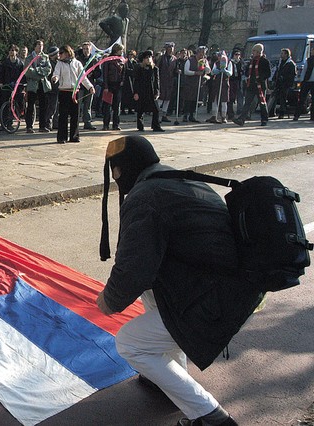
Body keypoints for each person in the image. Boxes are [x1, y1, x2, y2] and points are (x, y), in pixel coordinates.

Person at [97, 135, 263, 426]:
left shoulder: (146, 198)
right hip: (228, 286)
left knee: (129, 343)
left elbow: (132, 270)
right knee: (152, 293)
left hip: (216, 299)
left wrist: (107, 301)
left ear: (126, 169)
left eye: (116, 171)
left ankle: (208, 415)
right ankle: (169, 375)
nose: (116, 177)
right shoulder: (176, 180)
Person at [51, 45, 95, 144]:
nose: (59, 55)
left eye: (61, 53)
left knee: (75, 115)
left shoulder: (77, 63)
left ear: (67, 53)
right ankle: (62, 137)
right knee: (63, 115)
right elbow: (56, 74)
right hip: (64, 91)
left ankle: (74, 136)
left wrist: (90, 87)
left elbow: (83, 77)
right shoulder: (59, 64)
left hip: (75, 91)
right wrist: (54, 79)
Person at [233, 43, 270, 126]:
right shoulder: (252, 61)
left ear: (258, 51)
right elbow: (247, 72)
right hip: (251, 85)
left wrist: (260, 78)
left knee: (262, 103)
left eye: (254, 51)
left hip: (260, 85)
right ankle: (241, 119)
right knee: (247, 103)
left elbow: (268, 73)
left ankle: (264, 119)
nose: (252, 52)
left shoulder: (264, 61)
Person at [24, 39, 52, 133]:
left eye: (42, 45)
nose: (41, 47)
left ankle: (42, 126)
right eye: (39, 45)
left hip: (43, 84)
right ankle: (29, 126)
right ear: (35, 46)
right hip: (32, 85)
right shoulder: (29, 58)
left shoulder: (45, 57)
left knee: (43, 105)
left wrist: (38, 71)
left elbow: (48, 69)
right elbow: (28, 71)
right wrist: (39, 73)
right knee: (30, 106)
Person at [133, 50, 164, 132]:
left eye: (150, 57)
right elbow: (136, 81)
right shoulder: (139, 68)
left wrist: (157, 92)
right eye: (146, 58)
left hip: (151, 91)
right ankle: (140, 126)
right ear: (143, 59)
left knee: (156, 109)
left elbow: (157, 81)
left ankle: (156, 126)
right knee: (140, 110)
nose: (148, 59)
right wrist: (135, 92)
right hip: (141, 91)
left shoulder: (154, 69)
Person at [182, 46, 210, 123]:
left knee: (196, 100)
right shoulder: (190, 60)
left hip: (199, 84)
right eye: (201, 52)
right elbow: (186, 71)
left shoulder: (204, 61)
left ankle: (192, 115)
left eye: (204, 53)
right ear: (197, 52)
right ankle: (185, 115)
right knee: (188, 100)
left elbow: (208, 71)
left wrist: (205, 68)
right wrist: (195, 73)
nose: (202, 54)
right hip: (190, 83)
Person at [101, 43, 125, 131]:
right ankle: (105, 124)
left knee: (117, 106)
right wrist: (106, 86)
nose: (122, 52)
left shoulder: (121, 60)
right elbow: (105, 73)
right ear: (116, 50)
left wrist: (122, 80)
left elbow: (123, 72)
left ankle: (116, 124)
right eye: (121, 50)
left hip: (118, 85)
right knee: (107, 106)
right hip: (109, 85)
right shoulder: (108, 60)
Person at [77, 41, 101, 130]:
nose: (85, 50)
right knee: (78, 104)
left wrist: (93, 73)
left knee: (88, 105)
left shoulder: (94, 59)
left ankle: (87, 122)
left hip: (90, 85)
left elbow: (99, 73)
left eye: (87, 49)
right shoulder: (79, 59)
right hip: (80, 85)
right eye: (84, 49)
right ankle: (76, 122)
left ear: (90, 49)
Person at [206, 51, 232, 124]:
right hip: (216, 83)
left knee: (224, 101)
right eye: (219, 56)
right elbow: (212, 72)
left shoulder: (229, 63)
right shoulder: (216, 63)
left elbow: (230, 73)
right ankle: (214, 115)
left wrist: (225, 71)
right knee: (215, 100)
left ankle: (223, 117)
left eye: (221, 56)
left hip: (224, 83)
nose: (220, 57)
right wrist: (215, 71)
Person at [272, 48, 296, 119]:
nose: (281, 55)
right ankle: (272, 112)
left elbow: (292, 75)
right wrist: (274, 78)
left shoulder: (290, 64)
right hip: (278, 83)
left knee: (283, 99)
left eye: (282, 53)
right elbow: (277, 71)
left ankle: (282, 113)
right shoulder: (280, 62)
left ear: (286, 54)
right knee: (274, 97)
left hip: (286, 84)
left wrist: (284, 79)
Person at [156, 42, 177, 123]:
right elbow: (157, 68)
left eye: (172, 48)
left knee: (167, 98)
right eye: (169, 47)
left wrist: (177, 71)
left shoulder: (174, 59)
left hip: (170, 81)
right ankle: (157, 114)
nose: (171, 49)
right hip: (162, 80)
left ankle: (164, 115)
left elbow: (175, 69)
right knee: (161, 97)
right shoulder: (161, 58)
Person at [294, 44, 314, 121]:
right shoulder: (308, 60)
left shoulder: (308, 60)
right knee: (302, 99)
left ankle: (311, 116)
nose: (312, 52)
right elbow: (304, 71)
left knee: (307, 99)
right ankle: (297, 115)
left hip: (309, 81)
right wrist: (302, 80)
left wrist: (302, 80)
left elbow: (304, 71)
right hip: (307, 81)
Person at [45, 45, 60, 130]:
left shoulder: (58, 63)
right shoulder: (50, 64)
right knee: (52, 107)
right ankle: (48, 123)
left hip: (57, 88)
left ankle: (55, 123)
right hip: (52, 88)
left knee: (56, 107)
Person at [227, 48, 243, 120]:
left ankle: (239, 110)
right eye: (236, 54)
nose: (237, 56)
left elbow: (241, 71)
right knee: (231, 97)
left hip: (238, 81)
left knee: (238, 96)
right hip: (231, 81)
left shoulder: (240, 62)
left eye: (239, 55)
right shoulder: (230, 62)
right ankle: (230, 112)